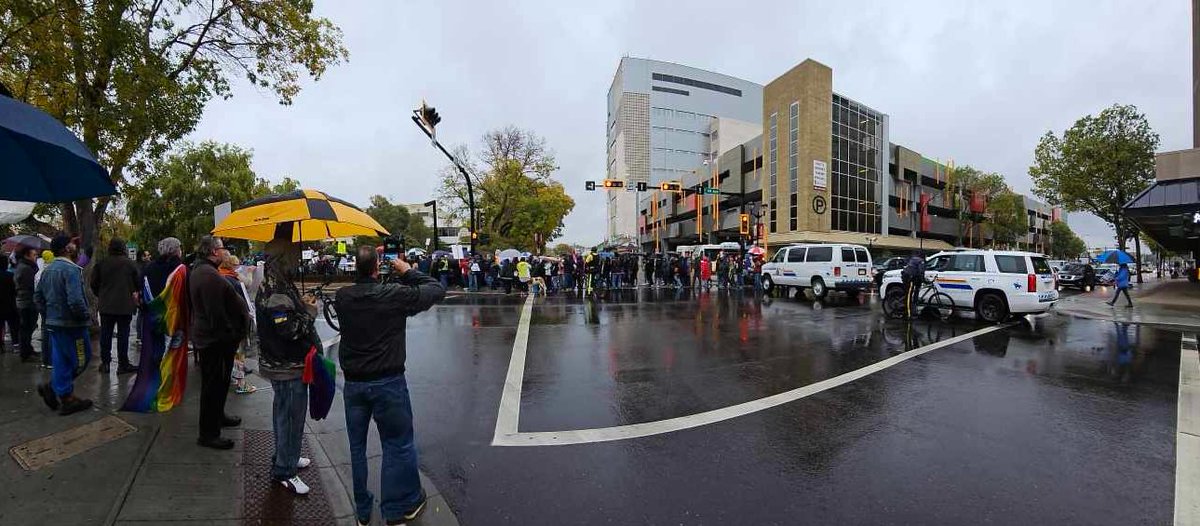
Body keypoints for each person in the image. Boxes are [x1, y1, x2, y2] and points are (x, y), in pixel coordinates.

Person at [336, 247, 445, 526]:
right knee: (397, 444)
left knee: (357, 448)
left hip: (354, 384)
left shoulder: (343, 297)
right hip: (388, 381)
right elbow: (434, 289)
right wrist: (406, 269)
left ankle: (362, 510)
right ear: (377, 268)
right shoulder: (393, 296)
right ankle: (398, 508)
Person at [256, 237, 322, 494]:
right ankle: (285, 470)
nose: (298, 261)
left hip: (283, 363)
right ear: (283, 259)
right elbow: (289, 330)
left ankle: (287, 458)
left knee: (285, 415)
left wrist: (300, 305)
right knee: (291, 418)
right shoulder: (278, 290)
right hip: (286, 365)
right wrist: (308, 312)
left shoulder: (277, 283)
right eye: (295, 256)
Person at [189, 236, 250, 450]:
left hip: (214, 339)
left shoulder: (205, 271)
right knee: (212, 386)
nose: (226, 251)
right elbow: (216, 313)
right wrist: (230, 333)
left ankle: (219, 416)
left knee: (219, 383)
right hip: (215, 341)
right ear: (214, 252)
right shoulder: (207, 274)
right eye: (223, 248)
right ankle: (209, 434)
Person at [34, 235, 93, 415]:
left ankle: (59, 391)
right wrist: (85, 316)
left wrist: (48, 315)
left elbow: (38, 297)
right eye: (71, 243)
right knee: (82, 360)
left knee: (61, 360)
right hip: (72, 326)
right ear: (65, 249)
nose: (74, 245)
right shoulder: (71, 270)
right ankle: (63, 394)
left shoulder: (48, 270)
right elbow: (75, 300)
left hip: (54, 323)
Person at [91, 238, 140, 375]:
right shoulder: (130, 264)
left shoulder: (102, 264)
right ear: (123, 248)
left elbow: (94, 283)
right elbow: (138, 283)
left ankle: (105, 363)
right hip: (125, 305)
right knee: (123, 335)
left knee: (105, 334)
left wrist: (101, 294)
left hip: (106, 305)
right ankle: (123, 364)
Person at [219, 255, 256, 395]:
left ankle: (232, 378)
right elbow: (242, 303)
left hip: (223, 323)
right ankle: (241, 384)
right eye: (236, 265)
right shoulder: (234, 281)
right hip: (236, 323)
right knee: (239, 354)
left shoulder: (218, 276)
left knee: (230, 353)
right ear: (231, 266)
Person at [14, 246, 40, 363]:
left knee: (27, 327)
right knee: (27, 328)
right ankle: (25, 352)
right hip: (27, 302)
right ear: (27, 255)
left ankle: (27, 349)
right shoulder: (26, 269)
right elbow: (31, 286)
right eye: (34, 255)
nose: (36, 258)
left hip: (24, 301)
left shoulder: (23, 266)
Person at [0, 256, 20, 354]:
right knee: (13, 325)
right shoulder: (10, 276)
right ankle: (15, 344)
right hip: (10, 305)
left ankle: (1, 344)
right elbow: (15, 291)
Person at [901, 254, 926, 319]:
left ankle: (911, 310)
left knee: (910, 294)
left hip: (907, 276)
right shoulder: (921, 261)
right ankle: (908, 314)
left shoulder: (914, 258)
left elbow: (916, 271)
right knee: (909, 296)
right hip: (909, 278)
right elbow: (921, 271)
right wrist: (924, 280)